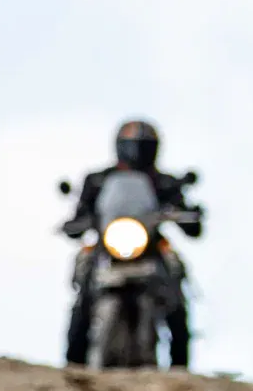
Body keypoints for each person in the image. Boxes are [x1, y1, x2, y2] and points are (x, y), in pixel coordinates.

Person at [64, 120, 201, 369]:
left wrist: (189, 217)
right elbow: (80, 212)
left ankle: (180, 363)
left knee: (175, 276)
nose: (137, 152)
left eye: (143, 146)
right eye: (132, 145)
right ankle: (74, 360)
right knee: (83, 273)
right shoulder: (98, 180)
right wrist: (75, 223)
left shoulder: (165, 182)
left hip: (149, 246)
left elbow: (186, 216)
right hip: (107, 244)